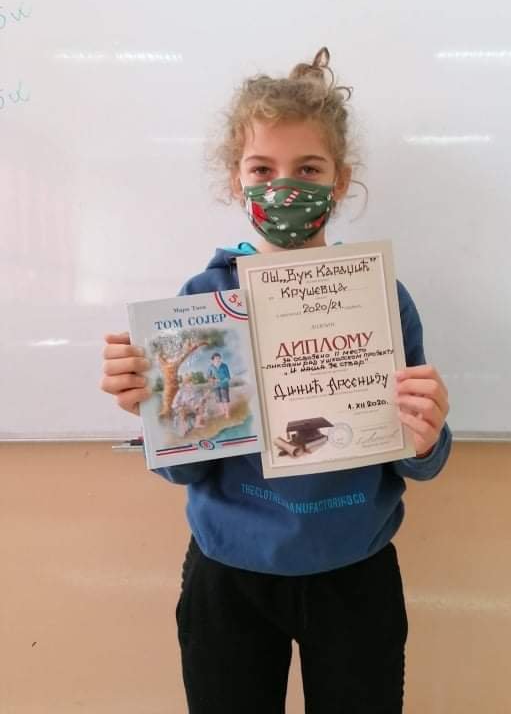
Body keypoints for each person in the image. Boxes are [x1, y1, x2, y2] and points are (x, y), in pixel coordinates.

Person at [100, 47, 452, 714]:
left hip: (354, 567)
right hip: (229, 569)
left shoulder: (379, 296)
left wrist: (427, 434)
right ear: (236, 180)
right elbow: (184, 469)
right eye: (262, 169)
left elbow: (419, 460)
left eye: (308, 169)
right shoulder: (203, 300)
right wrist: (156, 411)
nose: (284, 188)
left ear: (340, 181)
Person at [206, 352, 231, 419]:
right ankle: (222, 412)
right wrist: (213, 380)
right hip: (215, 386)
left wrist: (222, 381)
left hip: (224, 385)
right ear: (213, 360)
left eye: (219, 358)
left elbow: (228, 377)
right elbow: (208, 377)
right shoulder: (211, 367)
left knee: (225, 400)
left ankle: (227, 414)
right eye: (216, 358)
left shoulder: (224, 366)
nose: (218, 360)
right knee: (218, 400)